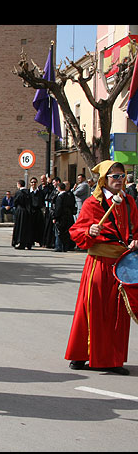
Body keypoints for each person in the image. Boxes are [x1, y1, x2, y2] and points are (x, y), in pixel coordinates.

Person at [66, 160, 138, 375]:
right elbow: (76, 232)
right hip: (99, 264)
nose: (119, 180)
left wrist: (136, 241)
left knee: (116, 313)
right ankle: (81, 355)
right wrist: (90, 231)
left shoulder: (129, 203)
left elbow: (136, 228)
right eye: (114, 176)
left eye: (122, 175)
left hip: (122, 264)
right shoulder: (92, 203)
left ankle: (109, 358)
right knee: (91, 309)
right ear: (104, 180)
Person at [53, 182, 76, 252]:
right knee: (66, 232)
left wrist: (55, 217)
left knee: (59, 232)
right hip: (69, 216)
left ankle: (58, 246)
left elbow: (58, 208)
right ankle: (66, 246)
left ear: (58, 188)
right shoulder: (69, 196)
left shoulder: (60, 197)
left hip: (61, 217)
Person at [12, 180, 34, 250]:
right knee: (28, 228)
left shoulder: (19, 193)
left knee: (20, 227)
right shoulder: (29, 192)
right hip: (28, 212)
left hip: (20, 211)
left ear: (19, 184)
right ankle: (28, 243)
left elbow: (15, 202)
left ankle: (21, 242)